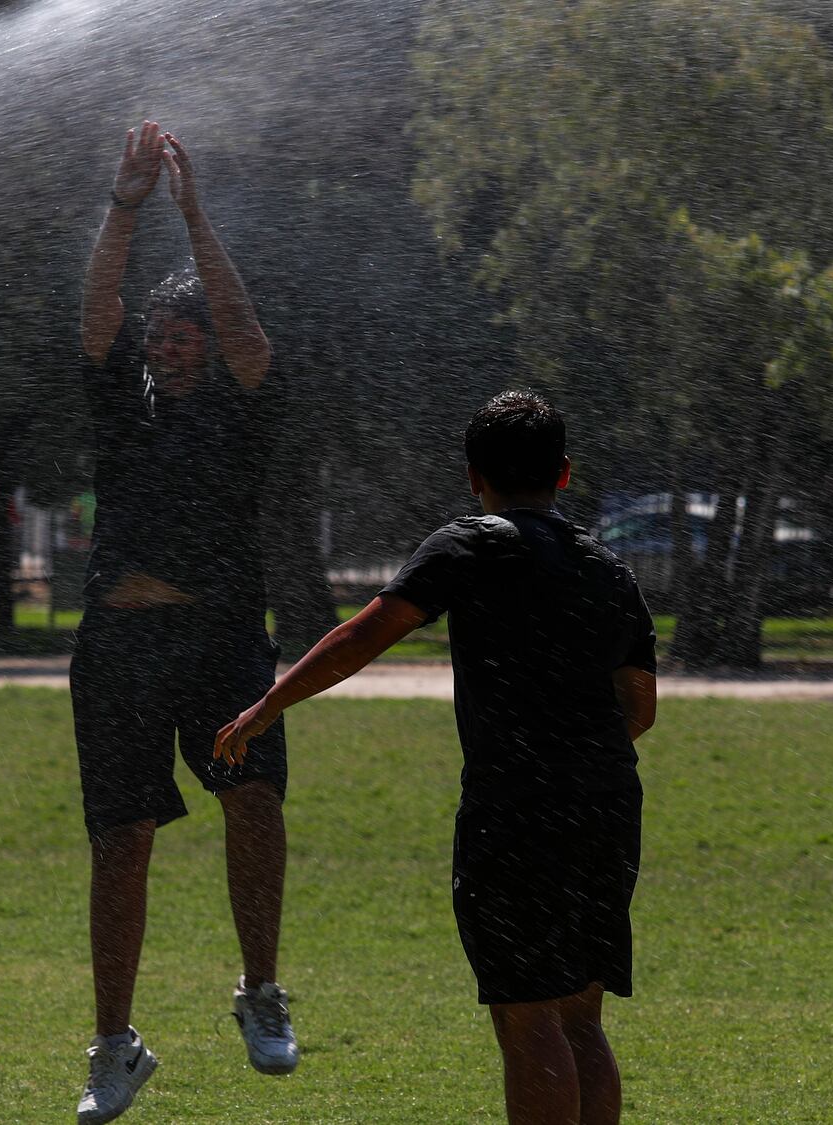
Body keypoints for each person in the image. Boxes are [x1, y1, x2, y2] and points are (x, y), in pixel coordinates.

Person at [217, 390, 657, 1125]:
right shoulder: (608, 568)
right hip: (608, 803)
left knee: (528, 1013)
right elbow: (639, 708)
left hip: (516, 806)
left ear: (473, 475)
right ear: (564, 473)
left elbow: (365, 633)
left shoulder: (470, 545)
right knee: (582, 1013)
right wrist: (576, 748)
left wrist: (270, 703)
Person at [72, 120, 296, 1125]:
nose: (164, 347)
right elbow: (97, 312)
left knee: (253, 800)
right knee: (120, 839)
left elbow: (248, 333)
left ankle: (260, 991)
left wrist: (194, 214)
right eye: (157, 336)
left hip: (220, 640)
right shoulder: (123, 405)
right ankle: (113, 1047)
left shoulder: (243, 407)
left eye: (181, 334)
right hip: (118, 647)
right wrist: (124, 206)